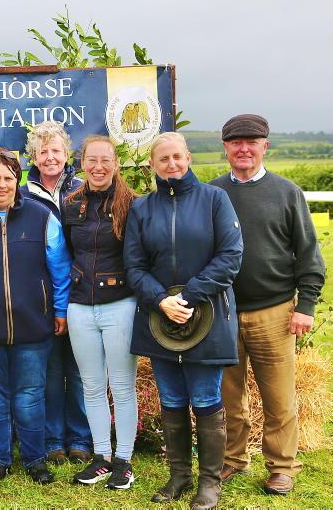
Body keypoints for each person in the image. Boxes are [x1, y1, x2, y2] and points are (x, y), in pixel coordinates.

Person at [124, 132, 243, 510]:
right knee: (172, 399)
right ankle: (179, 476)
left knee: (206, 398)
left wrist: (188, 297)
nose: (171, 164)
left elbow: (230, 256)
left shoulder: (215, 199)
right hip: (160, 320)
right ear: (152, 165)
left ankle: (209, 482)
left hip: (207, 317)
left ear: (188, 158)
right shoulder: (142, 208)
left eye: (177, 156)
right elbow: (134, 266)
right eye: (163, 159)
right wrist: (162, 301)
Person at [210, 114, 325, 495]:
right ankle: (232, 458)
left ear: (265, 146)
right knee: (230, 397)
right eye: (236, 142)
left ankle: (281, 466)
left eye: (252, 142)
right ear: (225, 147)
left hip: (274, 311)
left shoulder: (287, 192)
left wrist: (305, 306)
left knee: (279, 398)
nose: (244, 149)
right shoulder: (212, 194)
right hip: (223, 312)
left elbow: (309, 254)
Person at [0, 148, 71, 485]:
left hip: (33, 325)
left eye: (8, 178)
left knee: (30, 396)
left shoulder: (41, 217)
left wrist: (60, 309)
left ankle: (35, 460)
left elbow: (60, 268)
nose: (1, 184)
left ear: (17, 180)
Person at [61, 135, 139, 489]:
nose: (98, 166)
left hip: (120, 305)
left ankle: (124, 460)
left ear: (115, 163)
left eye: (105, 160)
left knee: (122, 386)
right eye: (92, 160)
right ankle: (101, 458)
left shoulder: (132, 204)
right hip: (80, 306)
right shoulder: (71, 204)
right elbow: (66, 253)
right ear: (82, 163)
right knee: (91, 386)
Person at [21, 120, 91, 464]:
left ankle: (80, 439)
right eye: (42, 151)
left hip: (83, 294)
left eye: (56, 150)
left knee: (78, 371)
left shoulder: (84, 190)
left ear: (67, 154)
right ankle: (51, 441)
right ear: (33, 157)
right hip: (41, 298)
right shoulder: (22, 195)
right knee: (49, 372)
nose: (50, 157)